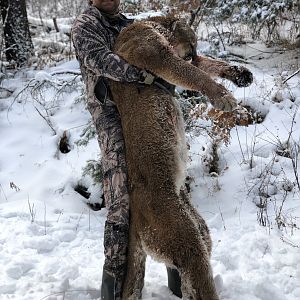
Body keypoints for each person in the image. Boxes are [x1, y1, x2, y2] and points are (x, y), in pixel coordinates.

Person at [72, 1, 182, 299]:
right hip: (111, 116)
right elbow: (100, 59)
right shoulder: (86, 25)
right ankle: (116, 286)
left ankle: (181, 272)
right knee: (121, 198)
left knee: (169, 188)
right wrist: (144, 75)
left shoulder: (128, 24)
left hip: (143, 112)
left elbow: (165, 54)